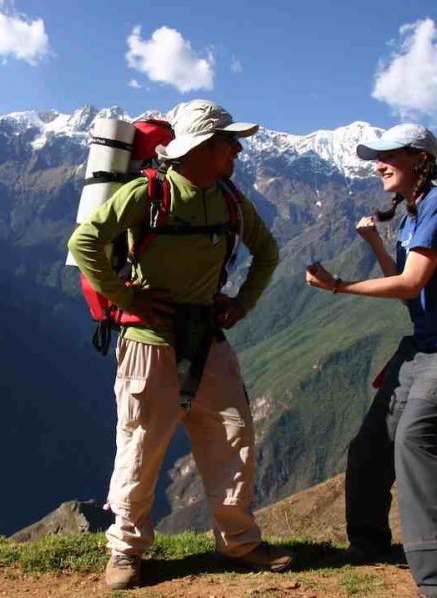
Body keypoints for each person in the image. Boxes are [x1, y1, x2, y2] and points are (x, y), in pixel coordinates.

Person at [68, 99, 293, 590]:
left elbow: (268, 251)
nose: (236, 150)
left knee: (233, 433)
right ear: (202, 146)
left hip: (208, 337)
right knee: (141, 445)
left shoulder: (230, 198)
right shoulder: (148, 193)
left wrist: (243, 304)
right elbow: (83, 243)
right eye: (228, 143)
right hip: (149, 341)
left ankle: (239, 540)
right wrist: (124, 296)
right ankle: (126, 551)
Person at [304, 123, 437, 598]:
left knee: (414, 440)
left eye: (388, 155)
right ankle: (368, 544)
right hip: (423, 346)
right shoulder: (411, 217)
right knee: (370, 445)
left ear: (419, 158)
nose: (378, 164)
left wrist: (338, 286)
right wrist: (375, 243)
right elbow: (410, 291)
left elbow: (410, 284)